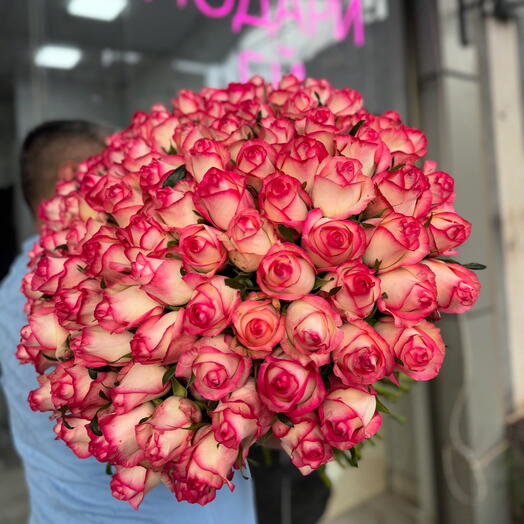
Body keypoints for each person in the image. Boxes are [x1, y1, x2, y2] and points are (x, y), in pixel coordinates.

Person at [0, 120, 257, 524]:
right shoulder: (71, 283)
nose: (125, 172)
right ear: (73, 175)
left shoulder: (12, 285)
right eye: (111, 163)